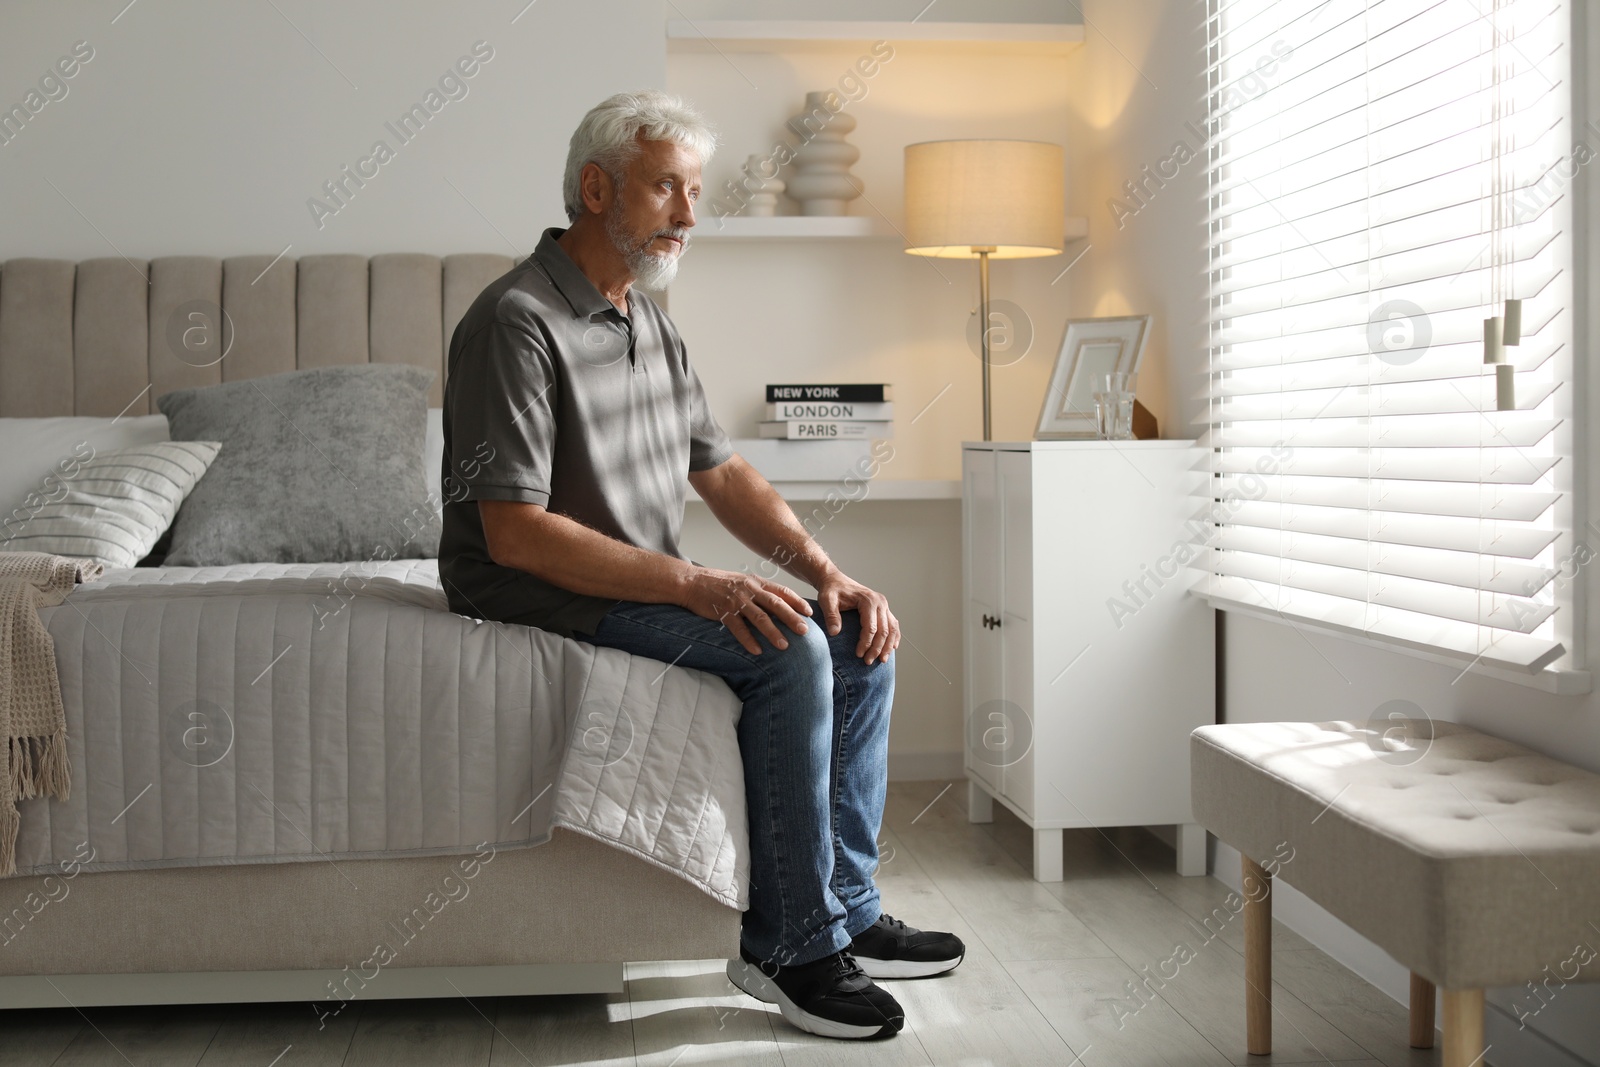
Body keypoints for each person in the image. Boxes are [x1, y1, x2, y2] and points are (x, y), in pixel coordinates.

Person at [436, 90, 963, 1041]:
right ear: (597, 189)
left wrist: (823, 568)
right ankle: (789, 946)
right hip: (527, 589)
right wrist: (699, 584)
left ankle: (845, 902)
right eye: (666, 188)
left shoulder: (649, 318)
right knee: (787, 650)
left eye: (694, 190)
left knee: (849, 630)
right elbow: (511, 533)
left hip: (632, 573)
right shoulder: (514, 321)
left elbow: (719, 469)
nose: (688, 213)